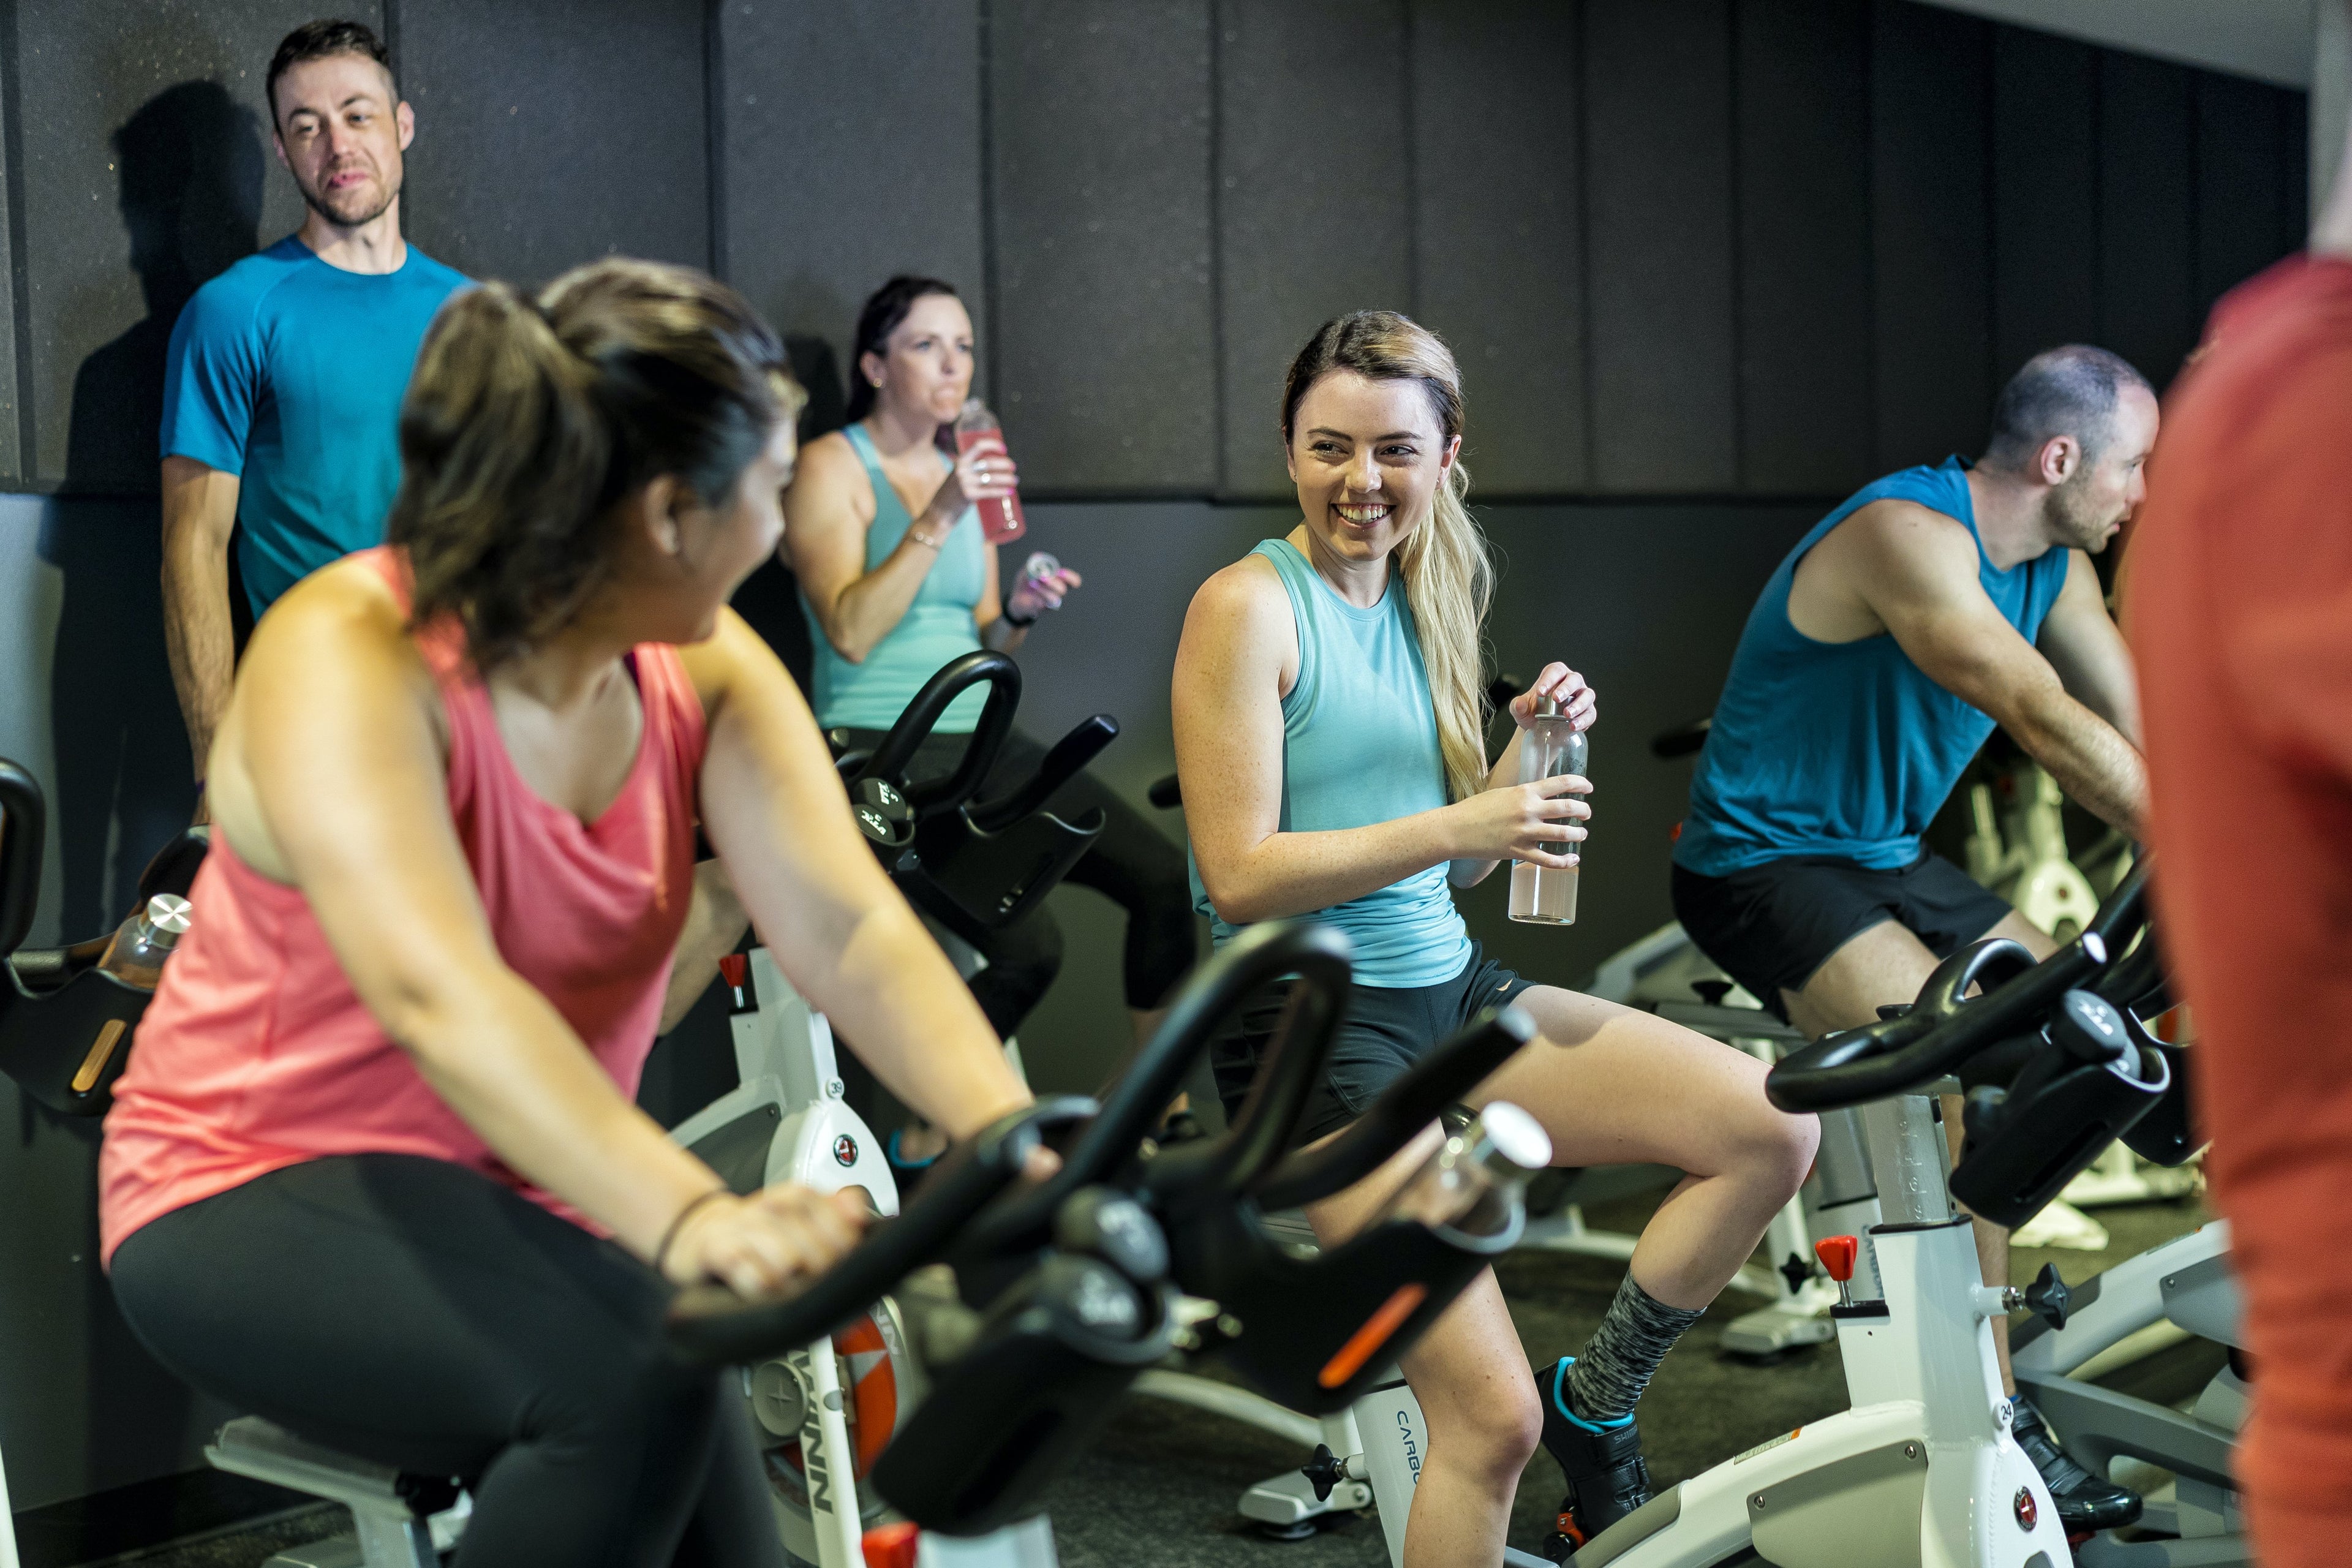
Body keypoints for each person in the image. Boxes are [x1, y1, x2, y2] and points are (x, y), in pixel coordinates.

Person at [100, 260, 1040, 1568]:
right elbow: (446, 999)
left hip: (516, 1203)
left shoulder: (702, 664)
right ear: (665, 511)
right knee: (633, 1375)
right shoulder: (354, 650)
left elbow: (849, 929)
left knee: (685, 1400)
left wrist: (1014, 1145)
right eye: (765, 491)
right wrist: (695, 1216)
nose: (778, 526)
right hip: (243, 1183)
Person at [1174, 311, 1818, 1566]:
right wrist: (1464, 813)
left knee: (1769, 1122)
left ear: (1448, 453)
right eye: (1330, 447)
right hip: (1313, 1040)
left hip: (1450, 990)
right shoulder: (1246, 607)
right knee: (1486, 1418)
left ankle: (1606, 1396)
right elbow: (1241, 876)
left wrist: (1527, 749)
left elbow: (1468, 864)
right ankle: (1546, 1417)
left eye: (1396, 451)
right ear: (1289, 448)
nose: (1362, 481)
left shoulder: (1437, 587)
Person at [1667, 344, 2155, 1529]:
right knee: (1963, 1078)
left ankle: (1979, 1356)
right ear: (2060, 459)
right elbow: (2036, 713)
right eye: (2134, 468)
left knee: (2084, 1050)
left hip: (1884, 856)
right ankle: (1981, 1408)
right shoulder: (1905, 531)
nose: (2144, 495)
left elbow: (2141, 726)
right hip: (1759, 862)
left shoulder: (2058, 568)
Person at [785, 274, 1197, 1158]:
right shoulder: (832, 466)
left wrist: (1020, 613)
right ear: (873, 365)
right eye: (927, 345)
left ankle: (1150, 1106)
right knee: (1029, 950)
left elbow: (981, 643)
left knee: (1164, 877)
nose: (952, 364)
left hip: (977, 733)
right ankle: (932, 1128)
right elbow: (851, 630)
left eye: (963, 346)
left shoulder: (966, 472)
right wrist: (939, 512)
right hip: (879, 748)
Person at [2130, 143, 2352, 1568]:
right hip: (1777, 872)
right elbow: (2037, 704)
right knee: (1952, 1034)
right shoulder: (2308, 407)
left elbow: (2094, 693)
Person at [160, 19, 467, 813]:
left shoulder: (477, 317)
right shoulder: (234, 311)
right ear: (281, 149)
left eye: (358, 115)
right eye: (308, 126)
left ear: (403, 125)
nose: (337, 144)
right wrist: (214, 764)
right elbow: (193, 545)